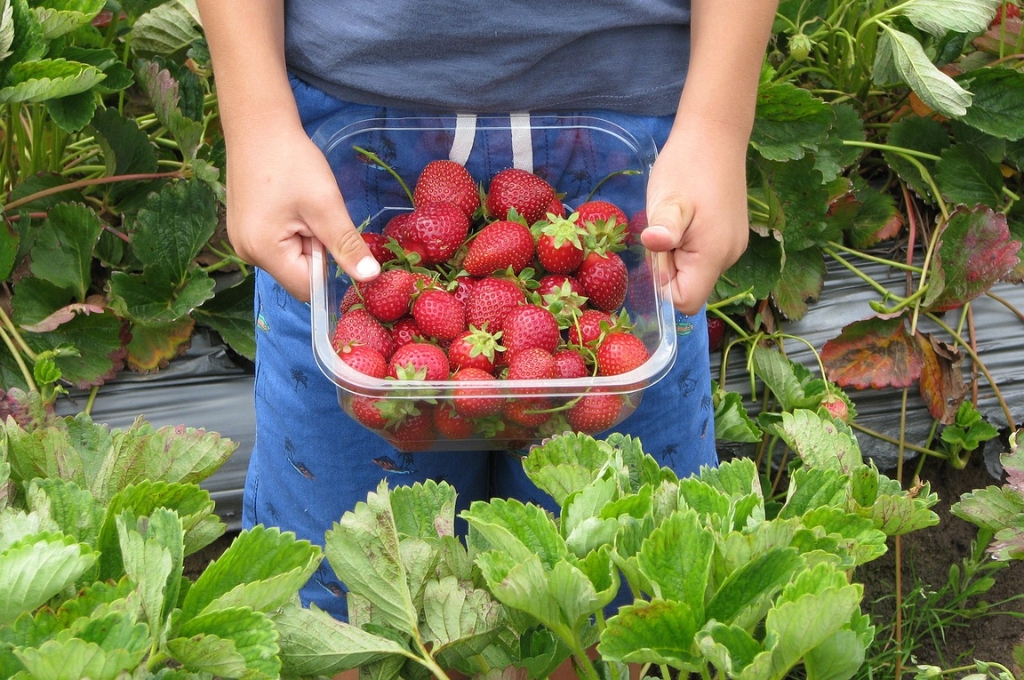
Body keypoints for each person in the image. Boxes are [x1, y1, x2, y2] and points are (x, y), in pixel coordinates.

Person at [196, 0, 778, 624]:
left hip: (642, 138)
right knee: (343, 590)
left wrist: (717, 123)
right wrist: (256, 120)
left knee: (620, 594)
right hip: (342, 146)